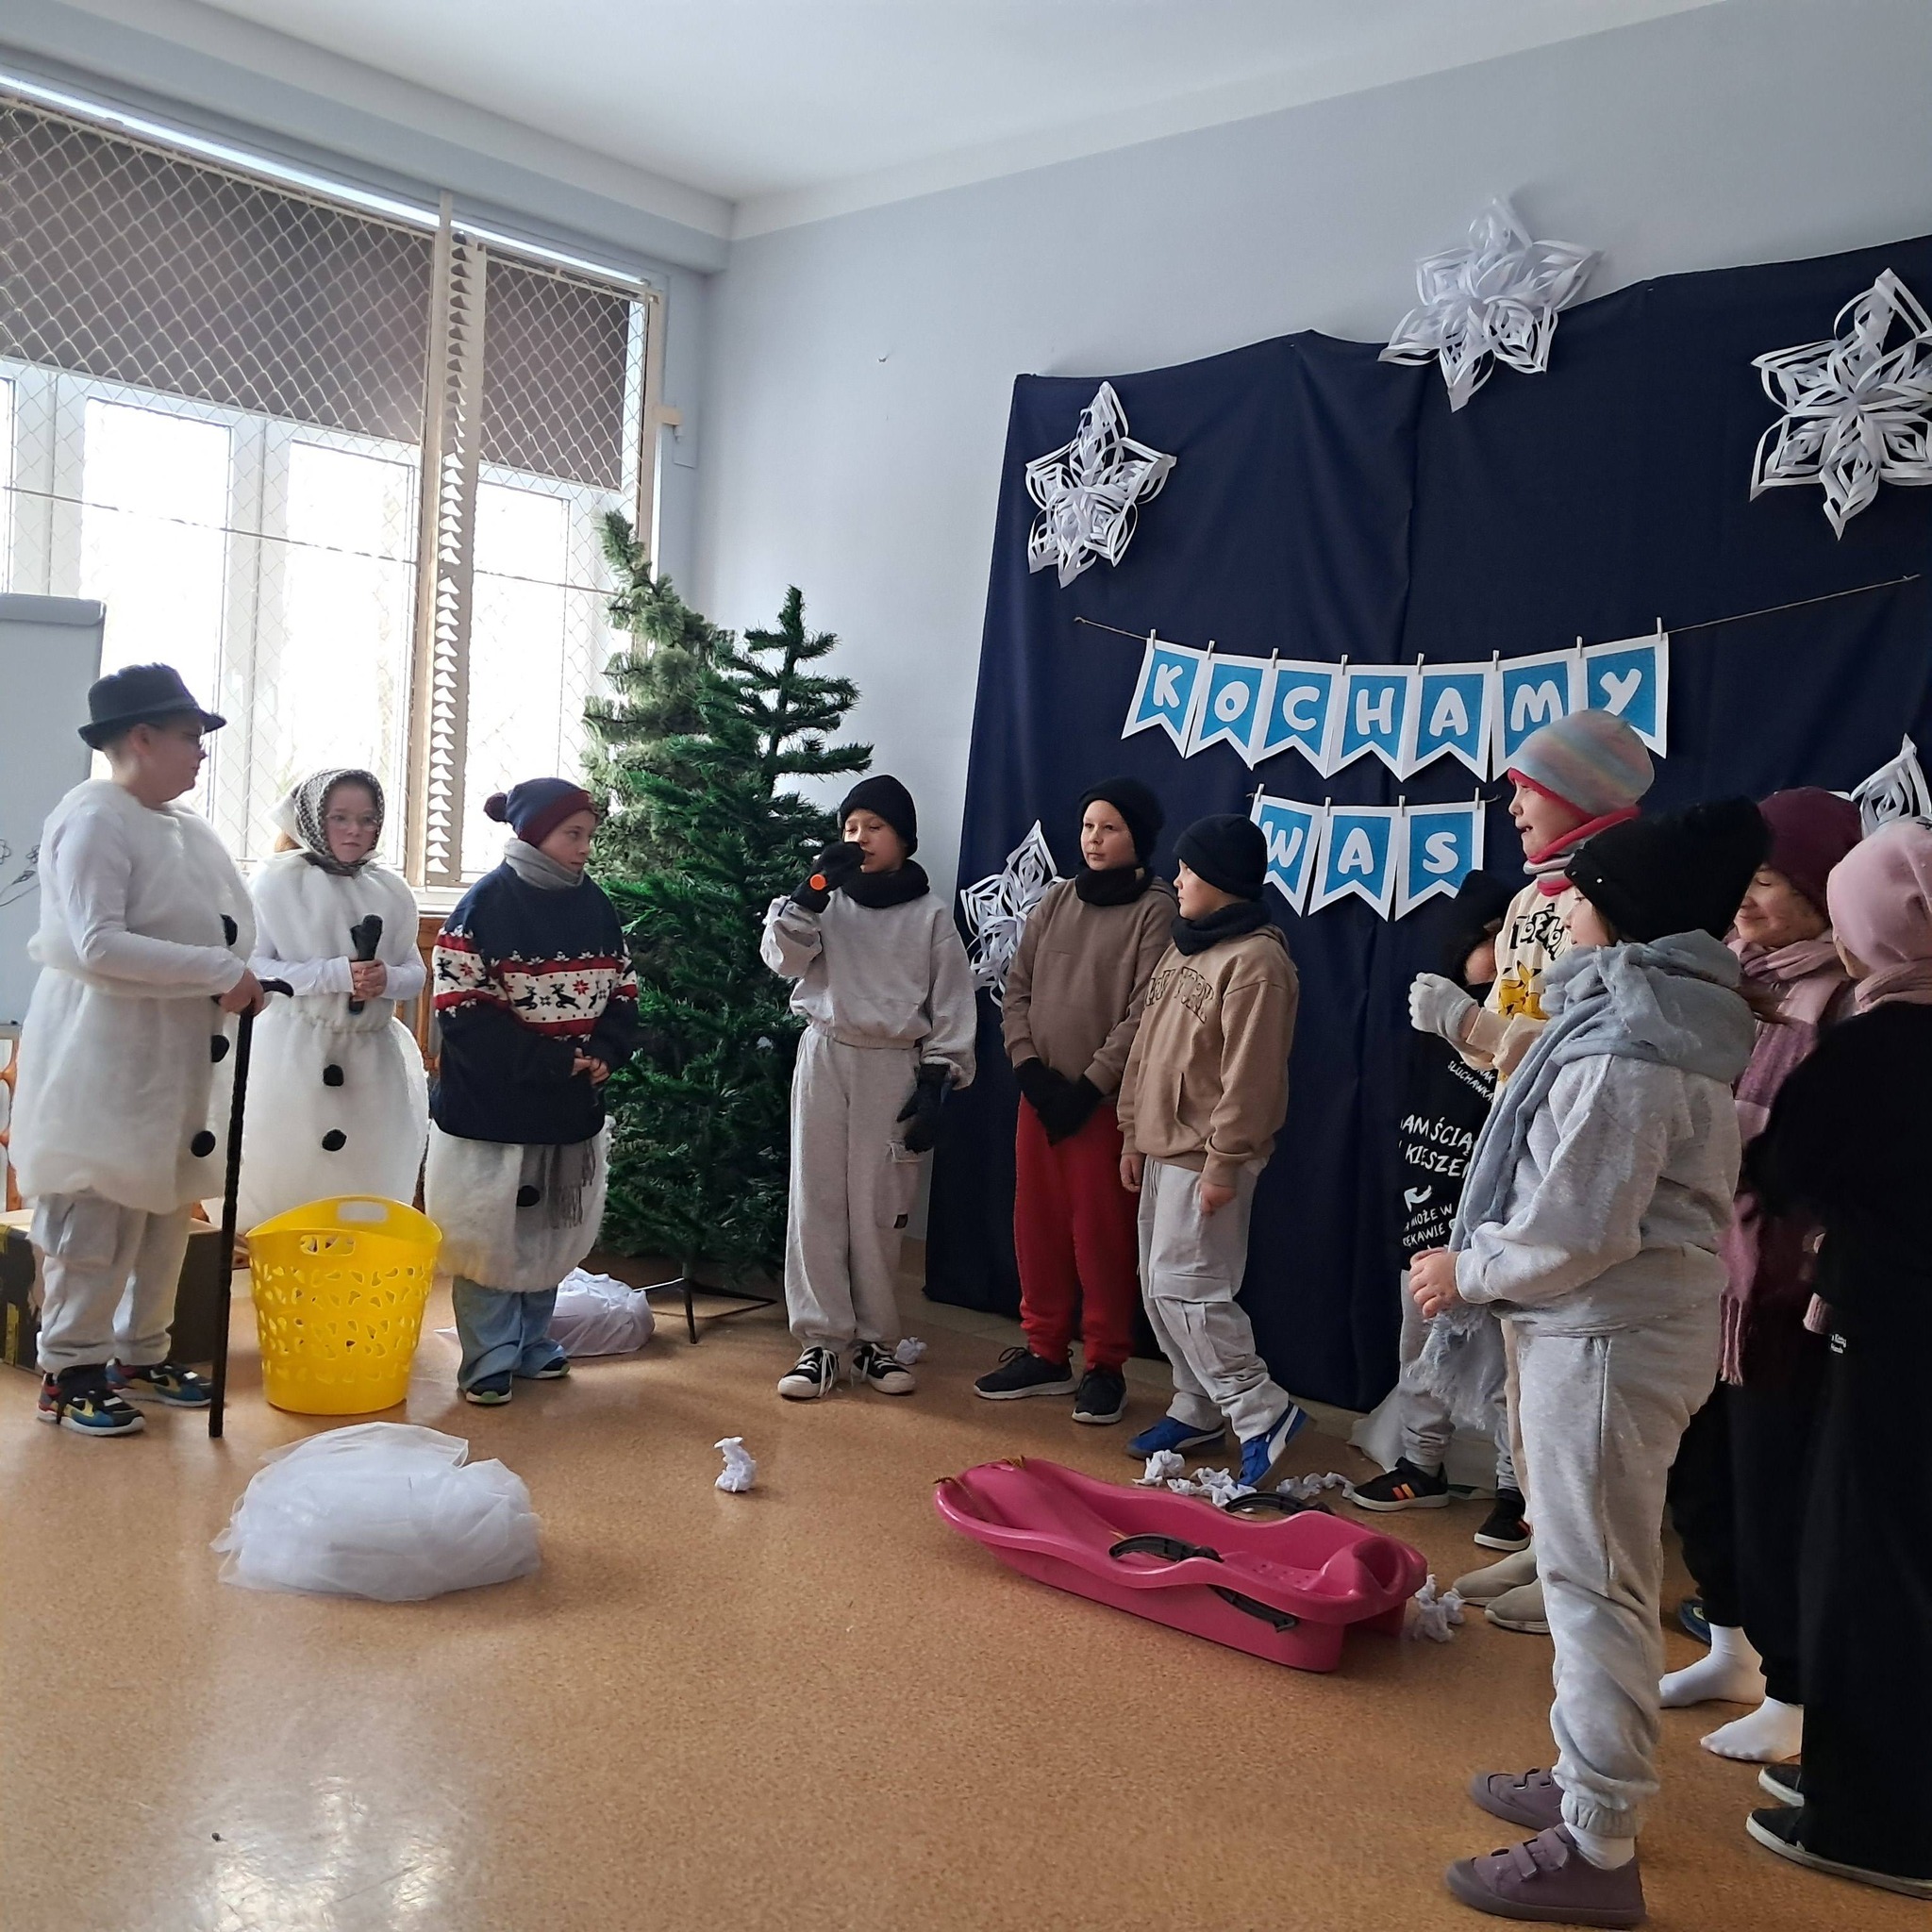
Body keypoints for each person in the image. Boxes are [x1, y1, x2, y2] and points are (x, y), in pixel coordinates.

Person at [1411, 798, 1765, 1928]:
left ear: (1628, 915)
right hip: (1602, 1327)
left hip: (1607, 1335)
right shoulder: (1644, 1019)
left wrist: (1465, 1270)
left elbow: (1577, 1224)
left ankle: (1597, 1839)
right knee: (1585, 1570)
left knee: (1596, 1581)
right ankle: (1582, 1775)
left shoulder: (1631, 1051)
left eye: (1584, 895)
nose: (1561, 909)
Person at [1409, 708, 1656, 1634]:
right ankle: (1549, 1543)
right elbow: (1519, 1045)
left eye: (1529, 789)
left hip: (1576, 1163)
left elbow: (1595, 1047)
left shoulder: (1623, 900)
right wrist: (1477, 1039)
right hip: (1516, 1153)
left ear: (1581, 793)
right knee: (1524, 1375)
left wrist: (1470, 1024)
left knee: (1569, 1387)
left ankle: (1581, 1571)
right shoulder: (1528, 902)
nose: (1512, 807)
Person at [1738, 818, 1932, 1903]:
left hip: (1892, 1338)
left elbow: (1785, 1162)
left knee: (1867, 1567)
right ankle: (1861, 1780)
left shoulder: (1881, 1042)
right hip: (1892, 1328)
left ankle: (1877, 1821)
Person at [1659, 789, 1861, 1767]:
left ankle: (1793, 1685)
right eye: (1742, 877)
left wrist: (1707, 1131)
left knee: (1773, 1485)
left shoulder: (1844, 995)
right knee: (1702, 1478)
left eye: (1769, 880)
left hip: (1778, 1286)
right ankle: (1732, 1643)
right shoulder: (1729, 975)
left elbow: (1823, 1150)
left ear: (1823, 887)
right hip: (1702, 1266)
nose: (1746, 899)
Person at [11, 664, 261, 1436]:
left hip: (171, 1058)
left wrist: (241, 973)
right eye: (189, 736)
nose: (201, 752)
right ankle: (70, 1371)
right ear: (141, 738)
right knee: (95, 1216)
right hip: (101, 1054)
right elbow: (97, 943)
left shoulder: (185, 827)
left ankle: (139, 1353)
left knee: (162, 1216)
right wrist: (218, 971)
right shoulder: (93, 816)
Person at [761, 774, 975, 1401]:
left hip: (892, 1064)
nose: (860, 838)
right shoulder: (824, 901)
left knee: (881, 1204)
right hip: (826, 1054)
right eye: (850, 827)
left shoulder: (930, 915)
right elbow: (782, 959)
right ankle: (821, 1343)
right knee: (817, 1198)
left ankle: (876, 1343)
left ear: (903, 837)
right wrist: (810, 894)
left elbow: (951, 1002)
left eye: (874, 827)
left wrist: (938, 1079)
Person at [424, 779, 638, 1406]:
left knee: (550, 1231)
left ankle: (532, 1343)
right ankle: (488, 1358)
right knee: (489, 1238)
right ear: (535, 834)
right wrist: (551, 1060)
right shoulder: (484, 906)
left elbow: (623, 988)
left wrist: (606, 1052)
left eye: (589, 835)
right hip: (492, 1112)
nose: (585, 848)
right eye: (573, 834)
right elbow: (461, 1011)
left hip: (567, 1107)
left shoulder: (595, 904)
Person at [975, 778, 1174, 1426]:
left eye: (1110, 828)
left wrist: (1089, 1086)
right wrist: (1029, 1070)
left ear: (1137, 837)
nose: (1094, 839)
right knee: (1036, 1224)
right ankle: (1044, 1350)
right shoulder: (1057, 900)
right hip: (1042, 1100)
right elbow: (1018, 989)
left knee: (1101, 1235)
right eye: (1088, 826)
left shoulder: (1155, 910)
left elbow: (1144, 1012)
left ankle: (1106, 1363)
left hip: (1100, 1108)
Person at [1115, 814, 1305, 1489]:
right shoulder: (1183, 948)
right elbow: (1145, 1048)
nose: (1177, 880)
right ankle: (1196, 1407)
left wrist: (1225, 1163)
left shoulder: (1258, 963)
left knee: (1191, 1290)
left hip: (1208, 1157)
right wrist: (1132, 1131)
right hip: (1162, 1148)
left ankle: (1261, 1411)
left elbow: (1252, 1077)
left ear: (1222, 878)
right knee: (1157, 1287)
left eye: (1189, 870)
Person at [1347, 872, 1525, 1551]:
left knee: (1506, 1364)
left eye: (1512, 937)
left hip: (1499, 1228)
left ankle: (1515, 1490)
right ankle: (1421, 1466)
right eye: (1489, 937)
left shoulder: (1523, 1022)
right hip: (1428, 1213)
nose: (1502, 950)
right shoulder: (1428, 1016)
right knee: (1420, 1347)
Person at [238, 769, 428, 1229]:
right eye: (339, 818)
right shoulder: (275, 882)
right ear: (311, 819)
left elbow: (416, 973)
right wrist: (335, 974)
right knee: (291, 1163)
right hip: (293, 1052)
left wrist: (386, 979)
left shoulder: (391, 889)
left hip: (371, 1054)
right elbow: (255, 967)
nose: (354, 830)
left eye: (366, 819)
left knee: (365, 1165)